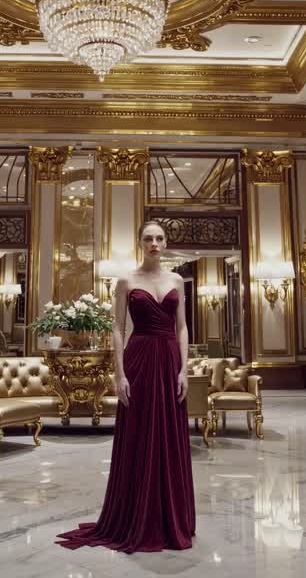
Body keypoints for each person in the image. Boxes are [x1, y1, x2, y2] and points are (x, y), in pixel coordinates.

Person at [55, 220, 196, 552]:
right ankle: (135, 516)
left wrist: (184, 370)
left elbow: (183, 328)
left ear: (166, 243)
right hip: (140, 359)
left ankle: (171, 517)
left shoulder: (176, 279)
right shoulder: (126, 281)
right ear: (140, 242)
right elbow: (117, 328)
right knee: (140, 434)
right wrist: (119, 374)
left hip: (170, 361)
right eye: (149, 238)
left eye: (160, 238)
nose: (155, 243)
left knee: (170, 436)